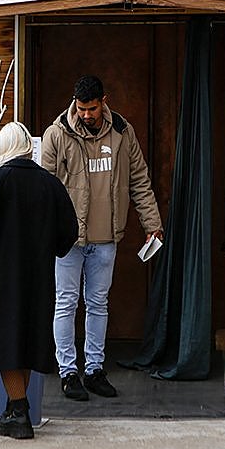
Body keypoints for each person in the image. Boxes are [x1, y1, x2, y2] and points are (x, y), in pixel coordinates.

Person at [41, 74, 163, 401]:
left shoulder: (123, 132)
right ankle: (68, 371)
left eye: (92, 108)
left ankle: (94, 369)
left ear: (103, 101)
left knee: (98, 304)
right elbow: (45, 189)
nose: (86, 115)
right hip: (67, 240)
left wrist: (152, 222)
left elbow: (139, 179)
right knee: (65, 303)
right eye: (81, 109)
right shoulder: (57, 134)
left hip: (106, 237)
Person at [0, 122, 78, 439]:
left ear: (1, 147)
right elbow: (69, 231)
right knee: (25, 341)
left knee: (4, 343)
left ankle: (19, 411)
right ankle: (16, 410)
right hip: (37, 278)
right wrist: (50, 249)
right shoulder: (49, 183)